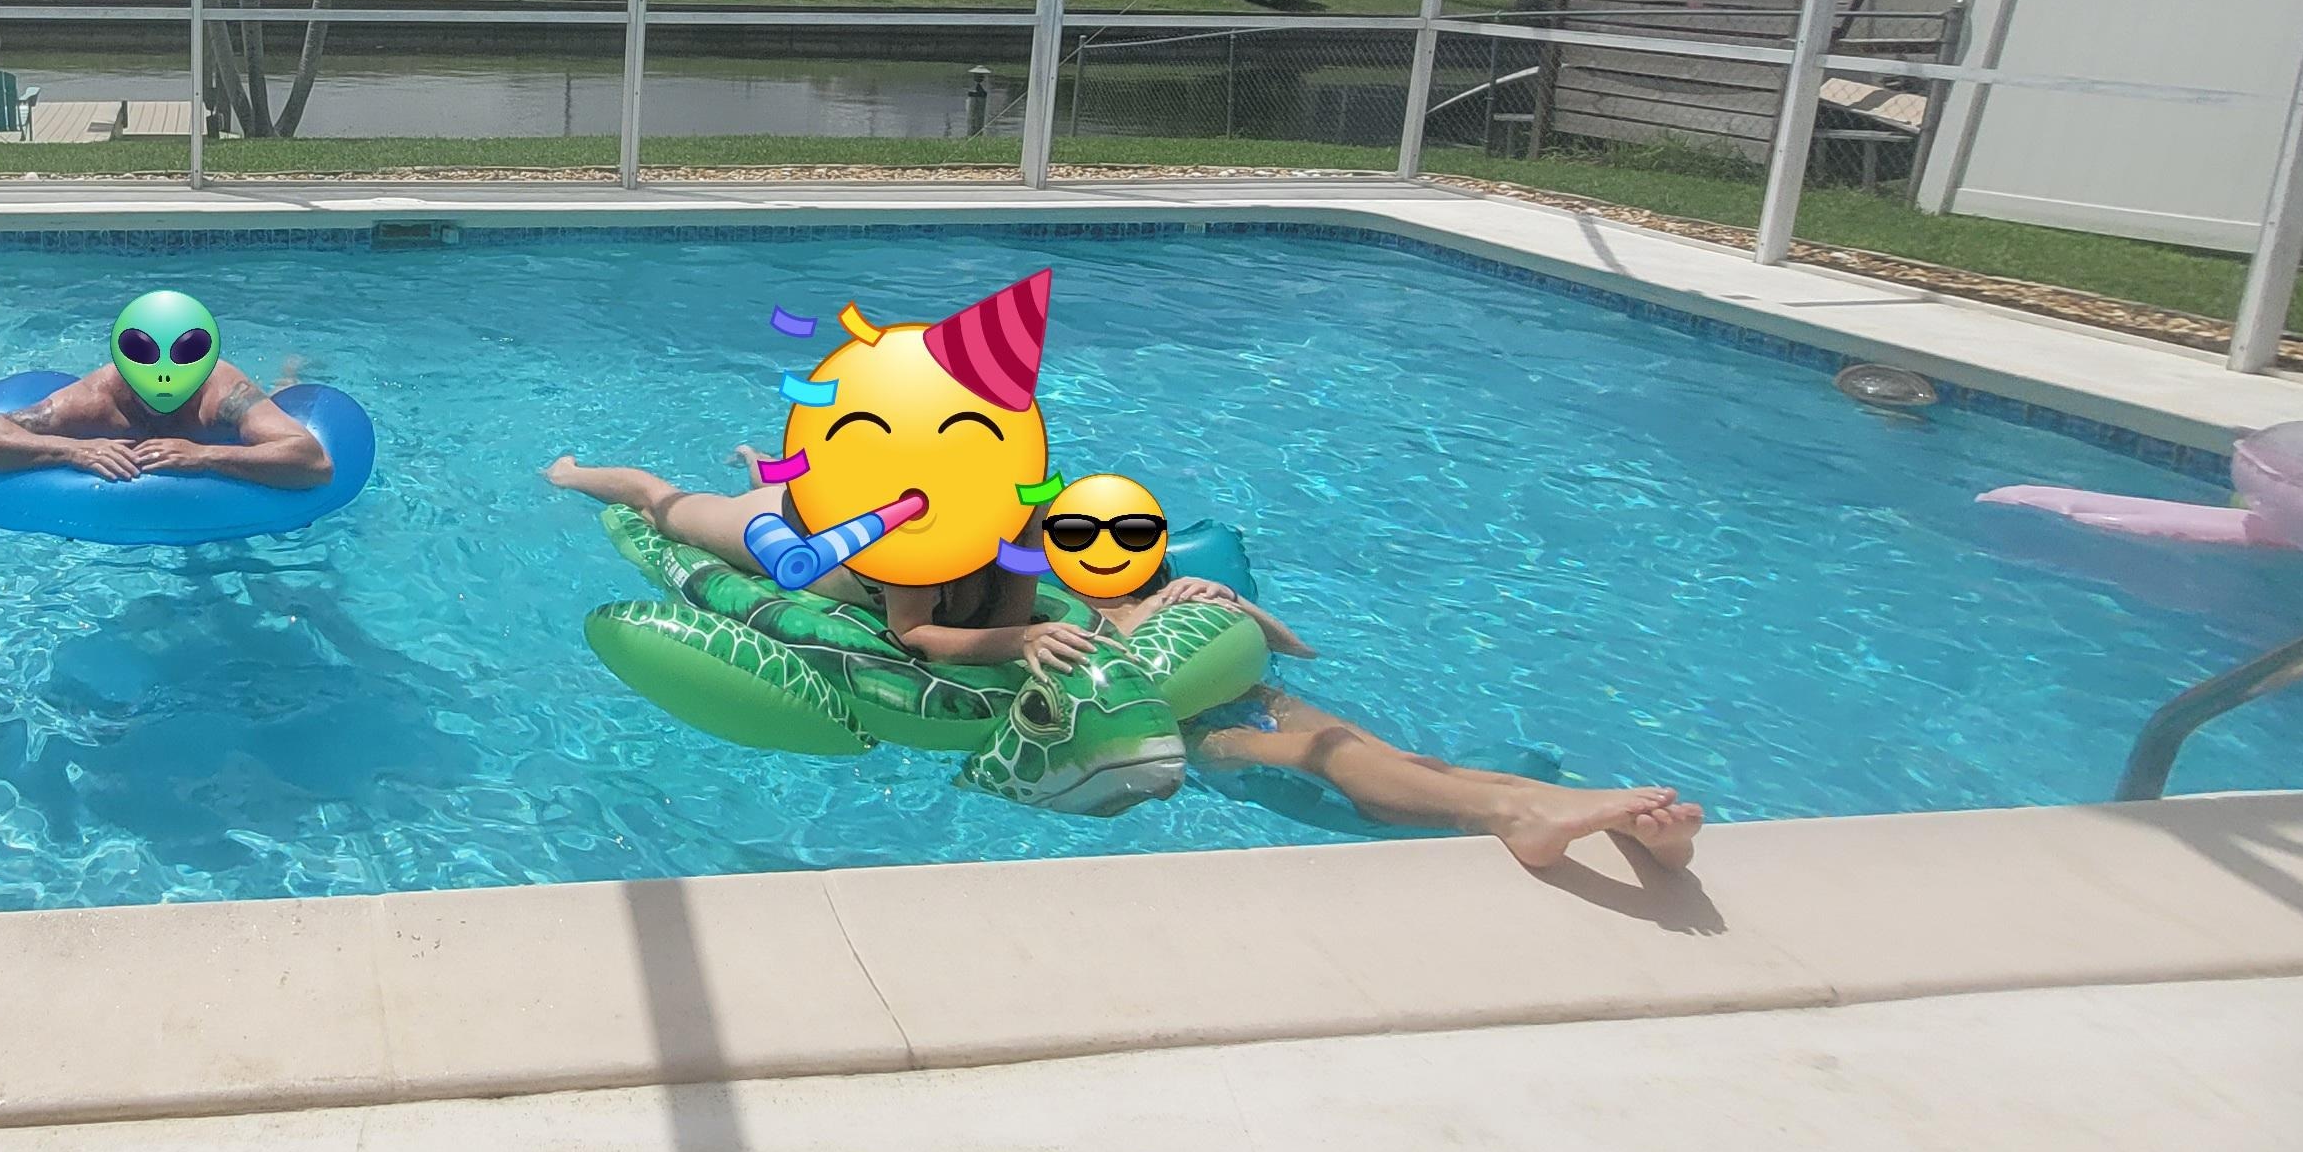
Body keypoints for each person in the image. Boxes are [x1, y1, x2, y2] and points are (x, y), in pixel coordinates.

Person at [544, 454, 1704, 872]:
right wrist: (595, 478)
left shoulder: (1003, 537)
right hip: (848, 593)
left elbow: (1096, 596)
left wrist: (1197, 600)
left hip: (1094, 684)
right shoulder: (801, 530)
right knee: (661, 496)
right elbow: (913, 640)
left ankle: (1525, 807)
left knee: (1298, 723)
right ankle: (1516, 807)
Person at [0, 286, 334, 489]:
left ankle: (290, 374)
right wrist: (74, 451)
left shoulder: (222, 395)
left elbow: (314, 462)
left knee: (280, 397)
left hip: (227, 431)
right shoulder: (96, 399)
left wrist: (204, 456)